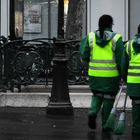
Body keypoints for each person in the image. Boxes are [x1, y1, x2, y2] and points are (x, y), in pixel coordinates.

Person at [80, 14, 124, 131]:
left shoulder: (91, 37)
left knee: (97, 95)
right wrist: (122, 74)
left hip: (94, 76)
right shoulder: (116, 39)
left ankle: (93, 112)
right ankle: (106, 125)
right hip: (111, 77)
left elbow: (84, 56)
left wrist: (89, 67)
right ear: (110, 24)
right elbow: (121, 60)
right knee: (108, 100)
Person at [121, 24, 140, 136]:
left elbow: (124, 66)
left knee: (137, 104)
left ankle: (137, 129)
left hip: (134, 82)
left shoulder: (129, 45)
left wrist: (125, 78)